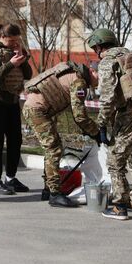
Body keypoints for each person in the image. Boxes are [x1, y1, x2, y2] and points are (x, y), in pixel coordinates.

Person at [87, 28, 132, 221]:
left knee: (115, 161)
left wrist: (101, 124)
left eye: (96, 48)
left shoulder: (107, 62)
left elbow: (108, 97)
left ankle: (119, 205)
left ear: (99, 46)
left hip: (128, 115)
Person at [22, 61, 100, 208]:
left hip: (37, 108)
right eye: (100, 77)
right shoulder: (79, 82)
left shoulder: (75, 75)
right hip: (37, 110)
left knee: (52, 147)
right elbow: (79, 116)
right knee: (53, 148)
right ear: (93, 72)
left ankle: (48, 189)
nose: (100, 82)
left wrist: (89, 130)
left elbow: (78, 116)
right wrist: (96, 132)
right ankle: (54, 194)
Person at [0, 23, 33, 195]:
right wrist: (10, 64)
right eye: (12, 41)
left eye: (18, 40)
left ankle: (11, 178)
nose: (15, 43)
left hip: (11, 100)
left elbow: (28, 75)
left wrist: (21, 58)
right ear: (2, 37)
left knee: (15, 140)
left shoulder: (15, 51)